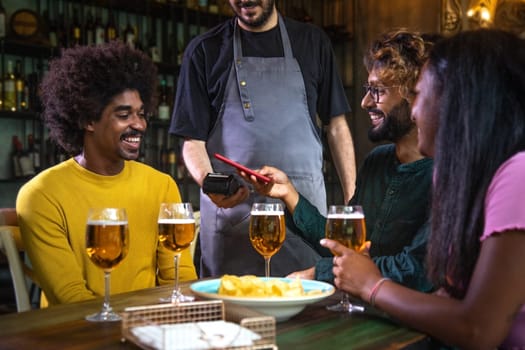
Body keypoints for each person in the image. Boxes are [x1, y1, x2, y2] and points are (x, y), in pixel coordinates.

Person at [322, 29, 525, 348]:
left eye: (419, 94)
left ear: (456, 103)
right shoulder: (465, 177)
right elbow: (446, 302)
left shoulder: (518, 175)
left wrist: (372, 285)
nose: (415, 112)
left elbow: (478, 330)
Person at [170, 0, 356, 277]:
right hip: (233, 220)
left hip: (303, 214)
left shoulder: (313, 42)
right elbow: (192, 142)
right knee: (232, 311)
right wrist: (212, 185)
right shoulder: (204, 50)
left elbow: (337, 127)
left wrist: (352, 199)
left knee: (309, 309)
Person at [243, 30, 435, 292]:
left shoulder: (447, 174)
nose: (365, 102)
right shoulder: (377, 161)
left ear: (416, 96)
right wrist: (288, 193)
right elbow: (342, 242)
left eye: (377, 90)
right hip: (363, 310)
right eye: (368, 89)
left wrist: (317, 273)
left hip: (409, 323)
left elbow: (415, 269)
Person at [16, 42, 197, 306]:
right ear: (87, 120)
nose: (138, 125)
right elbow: (70, 298)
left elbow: (178, 281)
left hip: (150, 330)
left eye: (141, 114)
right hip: (75, 335)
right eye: (124, 115)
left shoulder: (161, 185)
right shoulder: (41, 195)